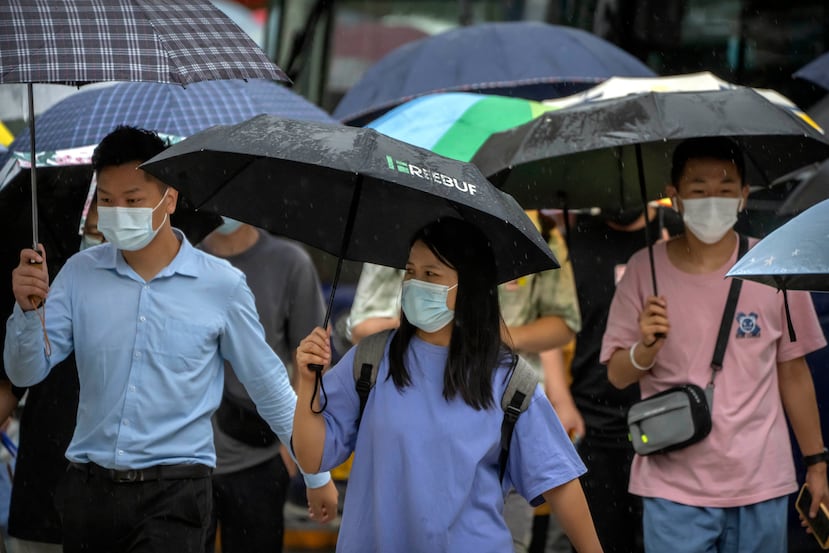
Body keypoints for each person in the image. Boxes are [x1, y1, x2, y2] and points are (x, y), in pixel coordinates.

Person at [3, 125, 337, 553]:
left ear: (170, 199)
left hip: (175, 495)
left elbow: (269, 386)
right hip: (88, 493)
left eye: (133, 200)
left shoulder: (221, 285)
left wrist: (316, 474)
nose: (117, 211)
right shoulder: (78, 275)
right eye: (106, 200)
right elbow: (25, 370)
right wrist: (28, 311)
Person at [293, 217, 602, 553]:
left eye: (431, 275)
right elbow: (311, 458)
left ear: (468, 287)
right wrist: (308, 380)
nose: (414, 283)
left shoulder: (510, 380)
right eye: (410, 271)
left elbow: (560, 482)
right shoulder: (371, 358)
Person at [601, 137, 828, 553]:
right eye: (699, 189)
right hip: (673, 487)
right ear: (675, 197)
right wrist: (644, 349)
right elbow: (617, 374)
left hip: (761, 481)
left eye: (725, 190)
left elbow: (794, 373)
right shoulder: (642, 269)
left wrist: (817, 463)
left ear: (744, 196)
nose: (713, 200)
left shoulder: (775, 269)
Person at [544, 206, 681, 553]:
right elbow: (554, 321)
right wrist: (562, 400)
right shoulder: (574, 242)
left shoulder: (674, 235)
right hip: (593, 420)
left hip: (665, 420)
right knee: (602, 540)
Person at [199, 218, 327, 553]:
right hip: (186, 459)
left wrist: (292, 449)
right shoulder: (180, 258)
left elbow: (310, 363)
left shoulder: (290, 262)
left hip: (260, 455)